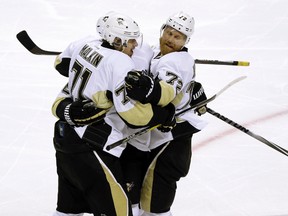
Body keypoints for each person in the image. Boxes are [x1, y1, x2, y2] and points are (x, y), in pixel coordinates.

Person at [51, 12, 176, 216]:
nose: (135, 45)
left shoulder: (85, 42)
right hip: (94, 146)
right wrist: (163, 114)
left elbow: (61, 64)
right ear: (116, 40)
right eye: (131, 40)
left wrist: (93, 72)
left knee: (68, 210)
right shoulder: (119, 62)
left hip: (65, 139)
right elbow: (134, 117)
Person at [121, 11, 208, 216]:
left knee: (155, 208)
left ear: (186, 41)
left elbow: (164, 94)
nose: (170, 39)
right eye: (168, 33)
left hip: (171, 143)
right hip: (161, 140)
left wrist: (149, 88)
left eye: (177, 37)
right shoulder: (158, 54)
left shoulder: (176, 62)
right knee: (143, 203)